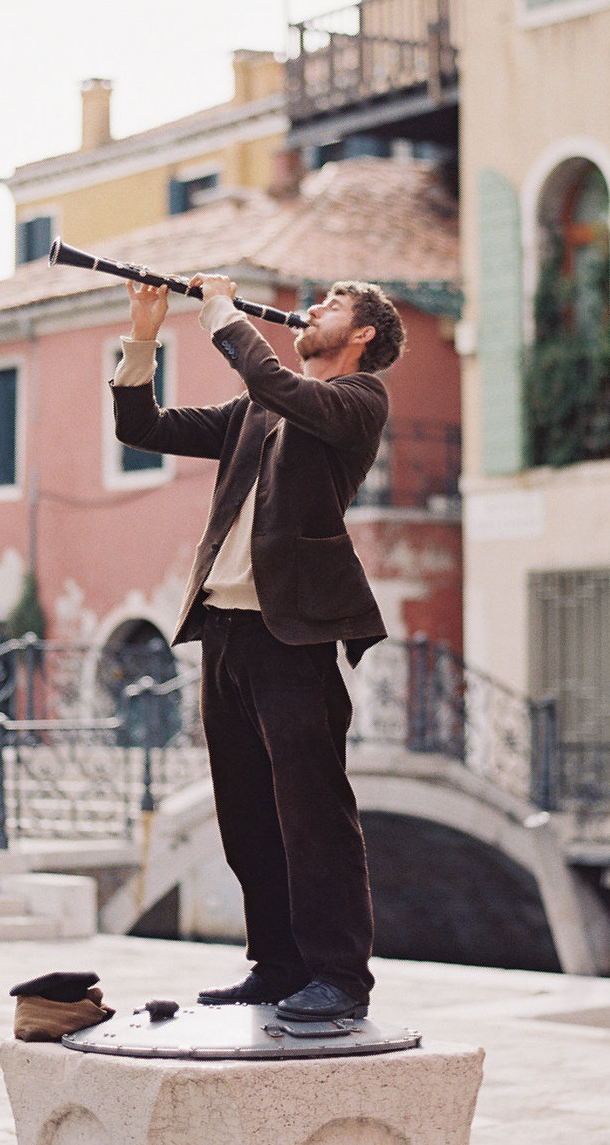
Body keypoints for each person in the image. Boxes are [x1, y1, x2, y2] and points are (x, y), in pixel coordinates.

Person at [111, 271, 405, 1020]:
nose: (314, 310)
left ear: (362, 333)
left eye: (333, 306)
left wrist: (220, 314)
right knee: (247, 816)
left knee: (314, 814)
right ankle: (276, 965)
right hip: (226, 634)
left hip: (293, 637)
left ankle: (341, 977)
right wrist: (144, 334)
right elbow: (142, 429)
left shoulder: (358, 400)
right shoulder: (257, 408)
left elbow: (281, 385)